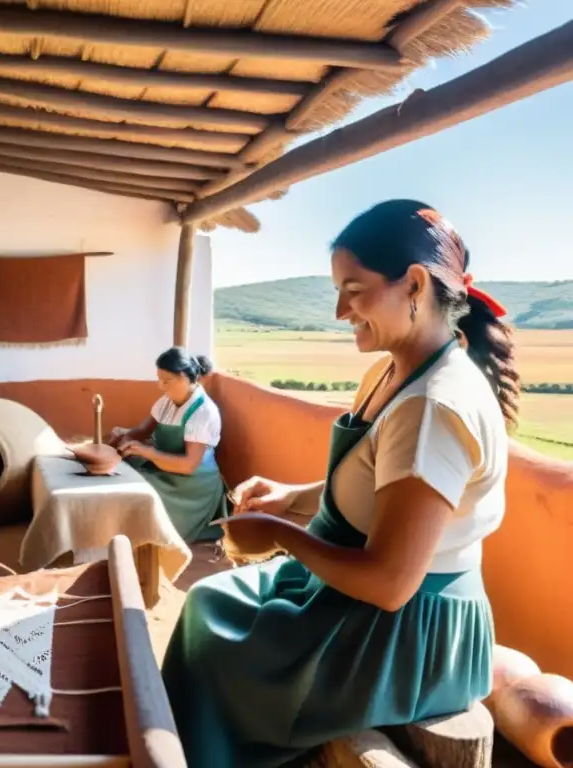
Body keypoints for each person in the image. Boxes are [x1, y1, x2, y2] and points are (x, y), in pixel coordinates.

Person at [161, 200, 518, 767]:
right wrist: (292, 499)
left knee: (219, 646)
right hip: (359, 601)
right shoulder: (393, 373)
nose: (338, 310)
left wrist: (280, 533)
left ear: (415, 285)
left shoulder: (433, 409)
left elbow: (389, 582)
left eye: (354, 290)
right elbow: (379, 489)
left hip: (402, 637)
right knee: (208, 602)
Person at [107, 347, 227, 543]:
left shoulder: (203, 411)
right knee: (121, 475)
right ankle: (120, 538)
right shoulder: (167, 401)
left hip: (191, 487)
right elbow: (142, 431)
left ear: (183, 377)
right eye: (159, 379)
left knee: (132, 490)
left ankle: (133, 542)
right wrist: (123, 435)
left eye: (166, 381)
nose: (161, 386)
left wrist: (147, 452)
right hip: (165, 471)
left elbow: (188, 465)